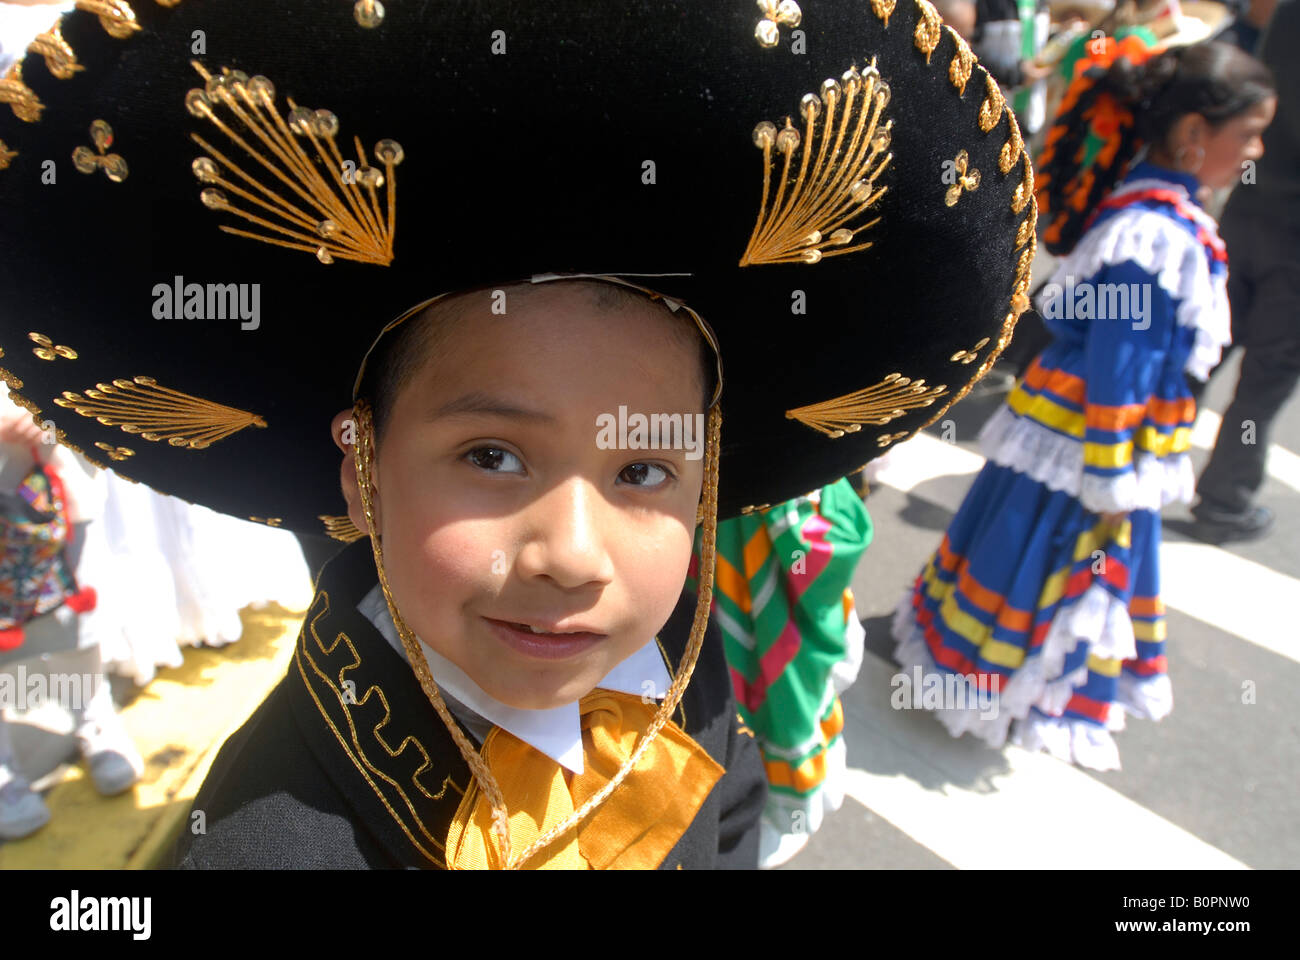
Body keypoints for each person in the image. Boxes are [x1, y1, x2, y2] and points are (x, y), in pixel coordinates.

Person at [0, 0, 1036, 868]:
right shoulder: (262, 846)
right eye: (492, 457)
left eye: (641, 467)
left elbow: (730, 811)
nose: (574, 558)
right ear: (360, 471)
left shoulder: (667, 655)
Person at [893, 41, 1276, 769]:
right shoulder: (1157, 234)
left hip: (1077, 437)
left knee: (1021, 549)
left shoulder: (1154, 207)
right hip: (1093, 448)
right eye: (1249, 133)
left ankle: (989, 669)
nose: (1256, 150)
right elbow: (1119, 369)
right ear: (1195, 134)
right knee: (1068, 564)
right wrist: (1111, 478)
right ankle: (1003, 686)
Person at [687, 478, 872, 868]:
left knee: (705, 687)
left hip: (702, 550)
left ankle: (727, 807)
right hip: (748, 585)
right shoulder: (796, 468)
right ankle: (747, 811)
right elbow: (827, 547)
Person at [1190, 0, 1300, 543]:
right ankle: (1225, 501)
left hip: (1250, 209)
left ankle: (1137, 456)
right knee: (1265, 381)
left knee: (1199, 352)